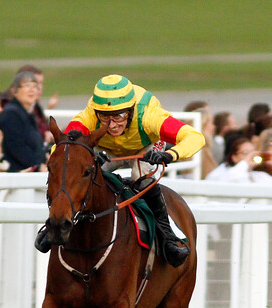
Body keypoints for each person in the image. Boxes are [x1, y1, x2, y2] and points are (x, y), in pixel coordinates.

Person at [34, 74, 205, 267]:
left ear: (131, 111)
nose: (113, 124)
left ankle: (168, 236)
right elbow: (63, 148)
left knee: (141, 178)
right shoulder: (89, 114)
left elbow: (194, 136)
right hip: (108, 149)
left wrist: (170, 154)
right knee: (78, 175)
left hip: (146, 148)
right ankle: (54, 225)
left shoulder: (149, 115)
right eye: (105, 117)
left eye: (119, 116)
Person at [0, 72, 46, 172]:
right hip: (18, 175)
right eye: (27, 86)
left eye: (35, 86)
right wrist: (38, 166)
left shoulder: (28, 113)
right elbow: (16, 148)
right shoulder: (11, 114)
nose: (32, 90)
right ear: (14, 91)